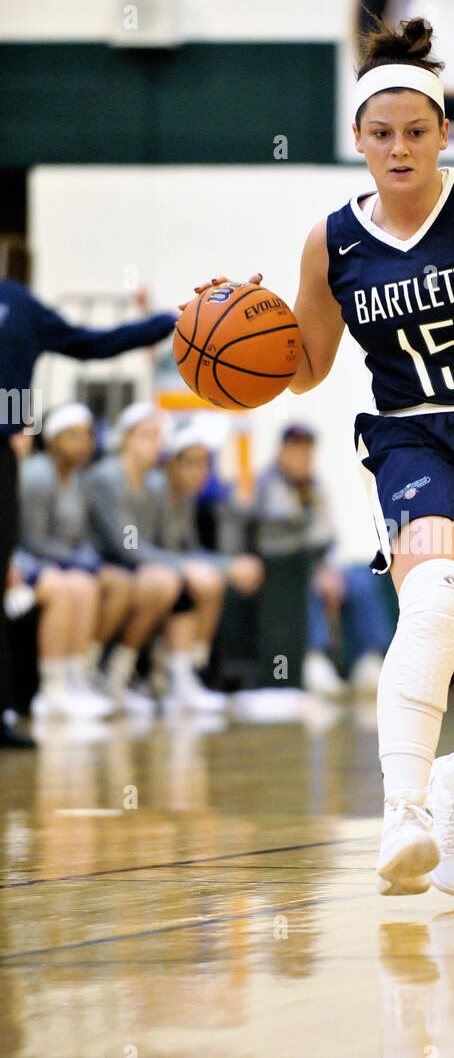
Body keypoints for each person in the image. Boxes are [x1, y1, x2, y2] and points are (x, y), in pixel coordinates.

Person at [192, 16, 454, 896]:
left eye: (416, 131)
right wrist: (226, 327)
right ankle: (404, 810)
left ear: (443, 133)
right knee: (436, 603)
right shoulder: (332, 240)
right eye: (381, 135)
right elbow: (303, 371)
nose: (399, 148)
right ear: (358, 142)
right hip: (415, 434)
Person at [0, 278, 175, 744]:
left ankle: (36, 696)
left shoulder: (18, 303)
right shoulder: (47, 474)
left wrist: (163, 324)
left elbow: (92, 343)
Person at [84, 403, 233, 714]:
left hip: (130, 565)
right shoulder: (109, 478)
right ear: (125, 438)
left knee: (191, 582)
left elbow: (169, 547)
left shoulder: (151, 483)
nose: (154, 443)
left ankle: (176, 675)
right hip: (98, 563)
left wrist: (215, 566)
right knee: (165, 581)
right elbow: (129, 546)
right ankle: (110, 674)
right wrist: (186, 566)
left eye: (157, 436)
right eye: (146, 435)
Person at [253, 423, 393, 697]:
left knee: (362, 578)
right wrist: (319, 568)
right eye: (297, 450)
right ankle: (315, 660)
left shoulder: (316, 485)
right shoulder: (267, 482)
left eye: (308, 450)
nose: (304, 457)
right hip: (286, 567)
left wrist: (333, 569)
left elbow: (329, 537)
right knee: (307, 583)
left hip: (319, 562)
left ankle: (370, 659)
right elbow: (281, 526)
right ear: (283, 451)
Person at [17, 402, 134, 718]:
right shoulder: (37, 476)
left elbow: (80, 537)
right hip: (29, 563)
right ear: (53, 439)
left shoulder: (79, 478)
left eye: (88, 436)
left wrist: (88, 561)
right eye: (74, 436)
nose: (84, 444)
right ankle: (52, 687)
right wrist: (79, 562)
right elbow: (32, 540)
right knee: (76, 587)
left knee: (107, 583)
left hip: (64, 562)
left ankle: (79, 675)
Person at [150, 422, 264, 694]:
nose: (200, 472)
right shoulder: (155, 491)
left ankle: (187, 670)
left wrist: (230, 566)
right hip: (140, 571)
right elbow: (135, 548)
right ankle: (168, 671)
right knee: (194, 583)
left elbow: (188, 550)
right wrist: (187, 566)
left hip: (166, 570)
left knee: (211, 581)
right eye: (192, 463)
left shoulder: (186, 498)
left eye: (205, 464)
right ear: (172, 464)